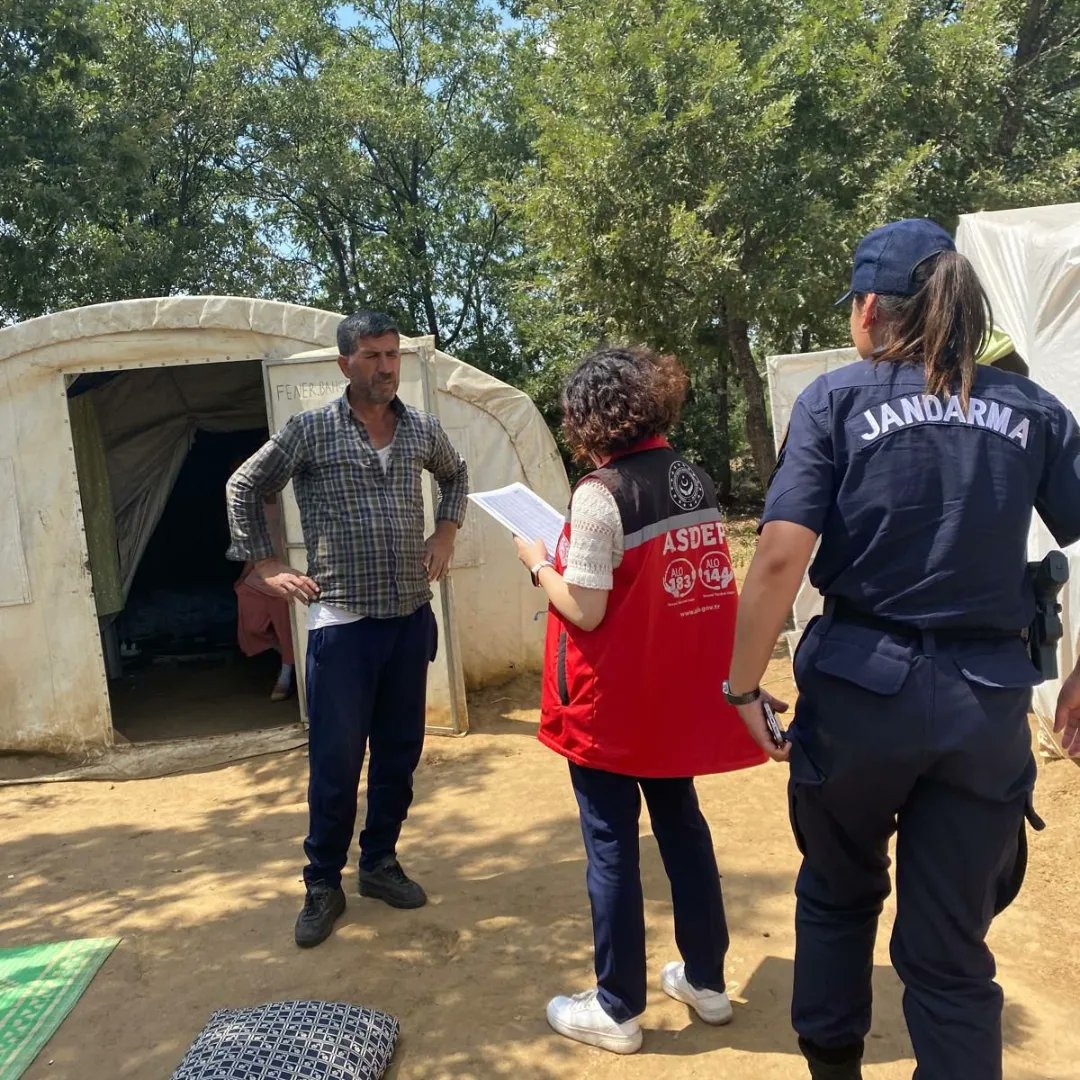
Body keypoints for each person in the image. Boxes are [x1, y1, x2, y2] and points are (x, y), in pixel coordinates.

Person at [725, 218, 1080, 1080]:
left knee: (839, 896)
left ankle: (834, 1069)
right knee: (952, 948)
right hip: (984, 705)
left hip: (859, 698)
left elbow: (779, 556)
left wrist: (741, 692)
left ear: (870, 308)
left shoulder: (838, 401)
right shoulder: (1033, 410)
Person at [513, 345, 766, 1055]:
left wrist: (537, 563)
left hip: (612, 706)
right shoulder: (693, 478)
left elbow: (585, 610)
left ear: (588, 418)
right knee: (682, 827)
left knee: (611, 846)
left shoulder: (600, 494)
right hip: (673, 695)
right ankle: (708, 983)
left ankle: (617, 1007)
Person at [226, 310, 468, 949]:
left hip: (409, 618)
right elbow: (244, 485)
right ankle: (322, 883)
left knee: (399, 754)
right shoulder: (310, 432)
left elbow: (456, 475)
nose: (385, 367)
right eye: (371, 356)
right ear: (344, 364)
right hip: (343, 624)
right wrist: (266, 563)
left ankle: (380, 863)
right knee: (335, 763)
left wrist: (445, 530)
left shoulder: (420, 429)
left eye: (392, 355)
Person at [233, 489, 295, 701]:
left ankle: (285, 676)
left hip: (287, 572)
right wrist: (243, 576)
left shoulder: (290, 502)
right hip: (261, 575)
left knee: (286, 629)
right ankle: (288, 656)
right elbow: (254, 548)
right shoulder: (253, 509)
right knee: (252, 627)